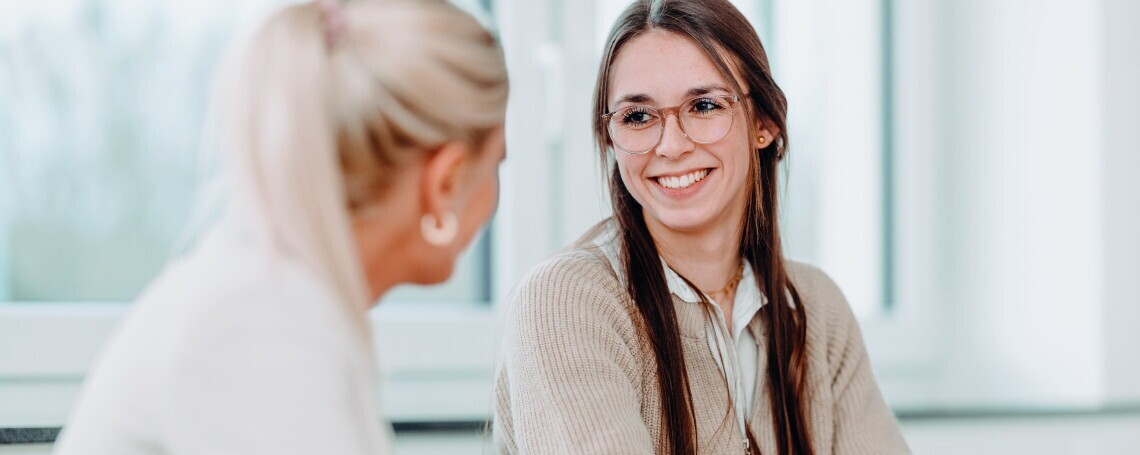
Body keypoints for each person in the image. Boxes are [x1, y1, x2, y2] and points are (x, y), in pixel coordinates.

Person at [52, 0, 507, 453]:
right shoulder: (260, 320)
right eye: (496, 165)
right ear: (445, 181)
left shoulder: (279, 295)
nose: (494, 195)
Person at [492, 0, 908, 453]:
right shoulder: (566, 302)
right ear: (611, 137)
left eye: (704, 105)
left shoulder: (814, 307)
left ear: (763, 124)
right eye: (637, 116)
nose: (671, 145)